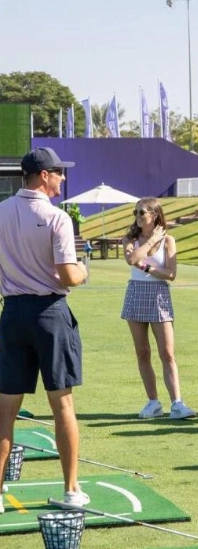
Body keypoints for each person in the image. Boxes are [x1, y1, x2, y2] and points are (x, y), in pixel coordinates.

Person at [0, 147, 90, 512]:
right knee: (62, 405)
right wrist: (84, 271)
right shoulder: (58, 218)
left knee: (5, 411)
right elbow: (69, 275)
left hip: (13, 314)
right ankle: (71, 490)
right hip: (50, 313)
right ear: (42, 176)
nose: (62, 179)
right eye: (58, 173)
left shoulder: (1, 212)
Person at [121, 198, 195, 420]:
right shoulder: (131, 238)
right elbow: (131, 258)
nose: (138, 215)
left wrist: (146, 267)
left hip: (159, 294)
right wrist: (151, 239)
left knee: (167, 353)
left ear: (154, 214)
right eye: (136, 212)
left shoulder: (168, 240)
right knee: (142, 352)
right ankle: (153, 402)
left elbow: (171, 274)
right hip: (136, 292)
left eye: (142, 212)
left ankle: (177, 403)